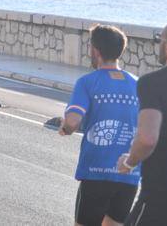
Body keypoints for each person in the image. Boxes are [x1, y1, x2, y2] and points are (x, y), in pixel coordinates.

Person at [58, 25, 140, 226]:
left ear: (95, 50)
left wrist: (66, 127)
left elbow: (73, 121)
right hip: (129, 174)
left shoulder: (87, 82)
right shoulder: (138, 83)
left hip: (96, 172)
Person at [118, 20, 167, 225]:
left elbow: (147, 138)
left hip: (161, 198)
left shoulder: (152, 82)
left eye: (160, 40)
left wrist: (129, 162)